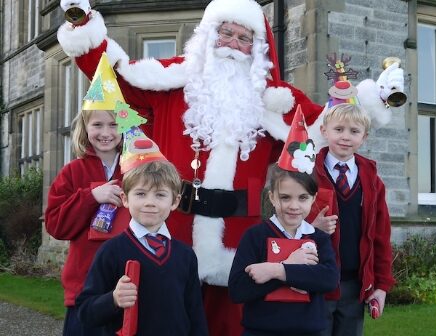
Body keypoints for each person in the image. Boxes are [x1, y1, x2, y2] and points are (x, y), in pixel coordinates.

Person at [57, 0, 403, 334]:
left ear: (257, 49)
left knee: (232, 323)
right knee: (165, 315)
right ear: (209, 35)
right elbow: (116, 75)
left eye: (244, 37)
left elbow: (332, 122)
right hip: (172, 225)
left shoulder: (275, 101)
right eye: (226, 33)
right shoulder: (171, 82)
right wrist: (81, 22)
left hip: (238, 237)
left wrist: (374, 99)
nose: (233, 44)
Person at [229, 107, 339, 335]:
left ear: (313, 199)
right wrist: (295, 268)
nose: (293, 206)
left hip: (308, 330)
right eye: (285, 197)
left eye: (302, 198)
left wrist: (277, 270)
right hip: (261, 331)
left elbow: (329, 280)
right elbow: (238, 290)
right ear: (271, 196)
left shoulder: (317, 238)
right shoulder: (256, 236)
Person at [44, 53, 131, 335]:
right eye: (97, 124)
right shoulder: (72, 172)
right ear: (85, 127)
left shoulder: (136, 170)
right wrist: (92, 196)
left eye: (114, 124)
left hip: (127, 287)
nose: (106, 132)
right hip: (84, 289)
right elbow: (56, 225)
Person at [76, 157, 209, 335]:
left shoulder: (185, 255)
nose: (150, 202)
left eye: (160, 195)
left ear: (175, 202)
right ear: (125, 199)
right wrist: (113, 299)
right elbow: (85, 312)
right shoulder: (111, 251)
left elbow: (195, 314)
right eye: (140, 194)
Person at [313, 103, 396, 336]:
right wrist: (312, 227)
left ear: (364, 137)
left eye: (354, 131)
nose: (345, 137)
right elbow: (283, 224)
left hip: (354, 285)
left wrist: (381, 285)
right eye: (338, 129)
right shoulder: (307, 174)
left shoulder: (372, 181)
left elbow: (381, 236)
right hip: (315, 283)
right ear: (324, 131)